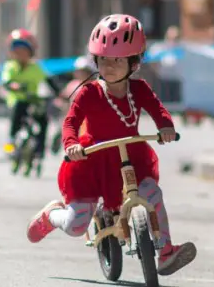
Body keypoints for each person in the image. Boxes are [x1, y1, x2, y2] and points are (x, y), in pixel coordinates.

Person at [26, 14, 196, 276]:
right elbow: (70, 122)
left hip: (131, 155)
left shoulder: (139, 89)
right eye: (103, 59)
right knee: (76, 225)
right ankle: (52, 216)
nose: (109, 66)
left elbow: (159, 110)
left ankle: (165, 252)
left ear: (134, 63)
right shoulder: (88, 92)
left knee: (152, 194)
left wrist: (166, 128)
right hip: (91, 160)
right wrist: (71, 144)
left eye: (117, 59)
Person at [1, 29, 58, 162]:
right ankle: (11, 141)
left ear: (31, 52)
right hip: (18, 100)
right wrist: (14, 85)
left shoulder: (35, 67)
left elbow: (48, 80)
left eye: (24, 51)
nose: (21, 55)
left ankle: (39, 149)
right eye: (17, 51)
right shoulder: (11, 67)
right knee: (17, 114)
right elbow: (7, 81)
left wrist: (58, 93)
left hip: (33, 100)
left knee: (43, 119)